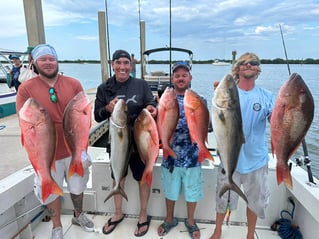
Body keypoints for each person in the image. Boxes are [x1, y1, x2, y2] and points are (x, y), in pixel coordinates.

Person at [16, 44, 94, 239]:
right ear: (34, 62)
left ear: (57, 61)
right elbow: (23, 121)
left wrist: (83, 146)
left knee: (78, 186)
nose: (48, 63)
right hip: (46, 151)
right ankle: (57, 225)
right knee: (50, 190)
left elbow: (84, 114)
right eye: (43, 59)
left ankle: (78, 214)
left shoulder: (74, 83)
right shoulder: (26, 89)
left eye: (52, 58)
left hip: (74, 148)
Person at [209, 52, 275, 239]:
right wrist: (218, 94)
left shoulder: (267, 96)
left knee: (254, 202)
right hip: (230, 159)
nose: (248, 65)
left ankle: (249, 234)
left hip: (256, 161)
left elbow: (275, 122)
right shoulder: (226, 92)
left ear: (258, 69)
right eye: (243, 63)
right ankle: (218, 230)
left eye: (253, 63)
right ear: (237, 68)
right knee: (222, 200)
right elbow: (214, 121)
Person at [94, 49, 157, 236]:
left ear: (131, 65)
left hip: (139, 142)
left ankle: (143, 214)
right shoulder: (104, 88)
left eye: (126, 63)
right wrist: (107, 108)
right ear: (112, 65)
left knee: (142, 179)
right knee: (117, 177)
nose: (122, 67)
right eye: (118, 63)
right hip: (117, 143)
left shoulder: (141, 84)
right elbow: (97, 116)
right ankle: (118, 213)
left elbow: (151, 104)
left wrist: (153, 108)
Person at [157, 62, 204, 239]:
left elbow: (205, 123)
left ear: (190, 78)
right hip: (170, 157)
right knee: (170, 190)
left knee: (193, 191)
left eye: (184, 75)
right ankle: (169, 219)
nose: (180, 78)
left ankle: (191, 222)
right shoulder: (166, 98)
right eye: (177, 75)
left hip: (193, 156)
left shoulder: (199, 99)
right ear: (172, 78)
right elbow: (158, 121)